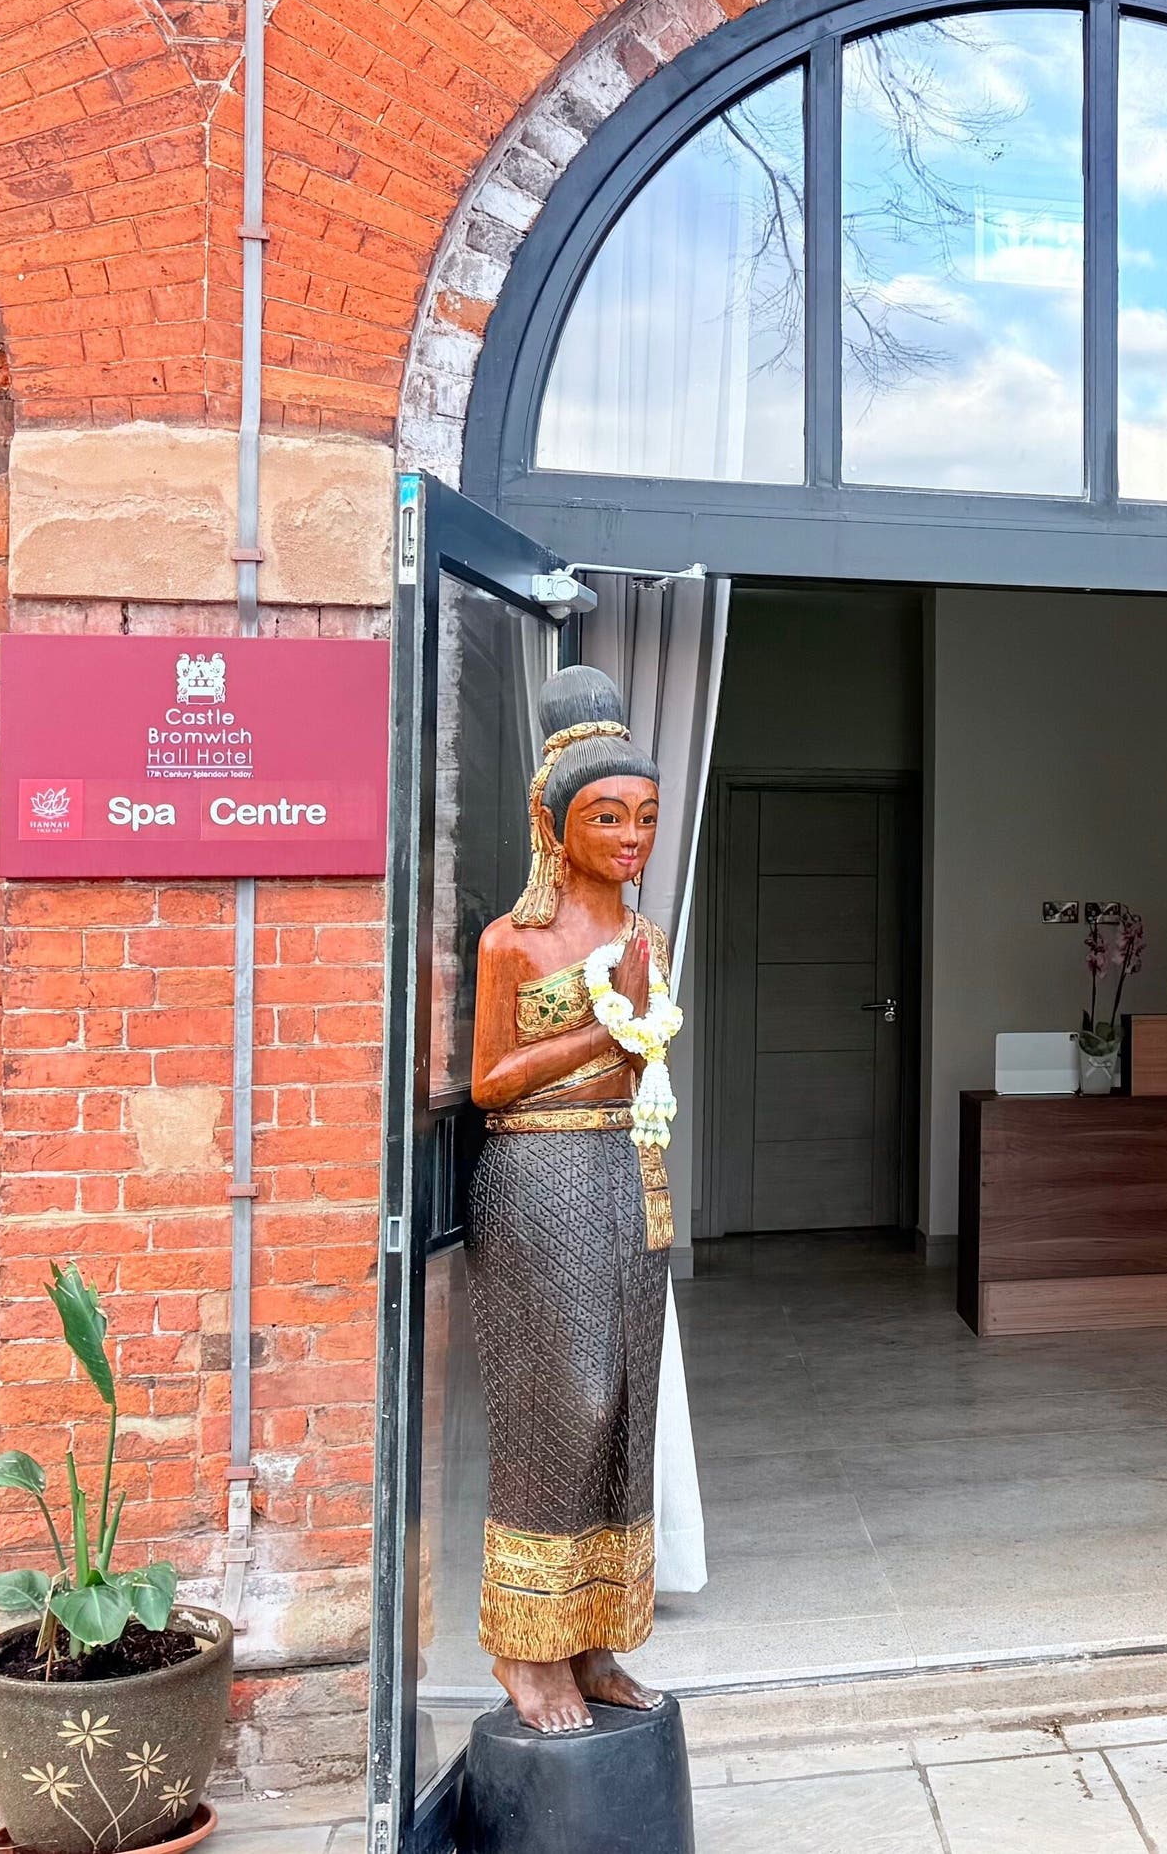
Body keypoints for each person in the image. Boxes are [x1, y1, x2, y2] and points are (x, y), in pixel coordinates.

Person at [464, 666, 679, 1731]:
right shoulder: (513, 942)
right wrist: (609, 1029)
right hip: (537, 1172)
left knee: (625, 1405)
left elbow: (648, 1067)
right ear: (555, 825)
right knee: (565, 1401)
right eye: (608, 815)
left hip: (626, 1168)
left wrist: (644, 1043)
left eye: (645, 815)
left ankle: (590, 1639)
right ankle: (523, 1649)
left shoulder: (644, 938)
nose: (631, 835)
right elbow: (488, 1081)